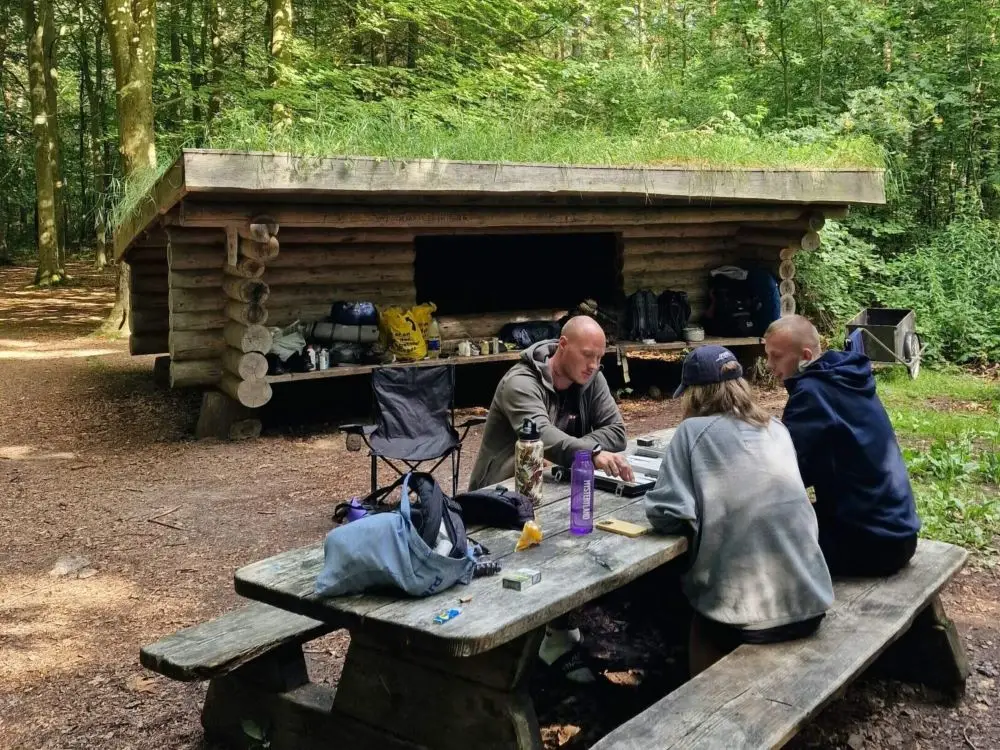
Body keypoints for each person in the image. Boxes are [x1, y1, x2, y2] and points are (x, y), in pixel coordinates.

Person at [645, 345, 834, 676]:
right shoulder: (777, 428)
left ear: (694, 394)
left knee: (675, 598)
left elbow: (667, 514)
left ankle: (695, 696)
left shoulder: (691, 432)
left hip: (742, 616)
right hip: (811, 600)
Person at [468, 315, 634, 683]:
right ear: (562, 345)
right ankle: (518, 652)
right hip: (502, 497)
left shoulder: (591, 378)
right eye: (587, 355)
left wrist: (573, 451)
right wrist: (588, 454)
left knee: (588, 540)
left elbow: (618, 432)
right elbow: (540, 434)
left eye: (599, 358)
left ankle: (559, 634)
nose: (593, 365)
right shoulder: (519, 382)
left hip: (556, 488)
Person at [763, 315, 920, 576]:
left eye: (776, 356)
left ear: (804, 355)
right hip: (899, 530)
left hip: (871, 544)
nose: (769, 365)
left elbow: (787, 476)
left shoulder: (812, 394)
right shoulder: (847, 378)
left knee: (755, 538)